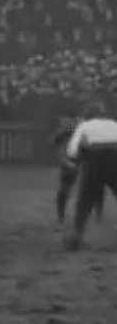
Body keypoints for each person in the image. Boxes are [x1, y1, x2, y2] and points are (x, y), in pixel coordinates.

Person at [63, 103, 117, 250]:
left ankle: (76, 237)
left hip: (96, 158)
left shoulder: (84, 125)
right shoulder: (114, 123)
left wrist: (73, 160)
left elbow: (73, 149)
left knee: (85, 200)